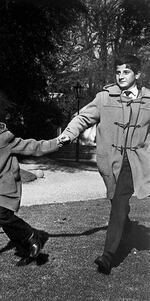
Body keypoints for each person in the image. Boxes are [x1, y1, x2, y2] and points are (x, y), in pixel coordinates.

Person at [59, 54, 150, 275]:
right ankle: (126, 227)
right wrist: (69, 133)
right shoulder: (104, 98)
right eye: (118, 72)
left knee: (118, 203)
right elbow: (82, 118)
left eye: (126, 72)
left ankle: (107, 256)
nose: (121, 76)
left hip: (138, 162)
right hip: (111, 162)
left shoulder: (149, 100)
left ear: (137, 74)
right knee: (116, 201)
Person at [0, 103, 63, 265]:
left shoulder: (3, 138)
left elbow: (33, 147)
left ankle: (32, 236)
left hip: (6, 183)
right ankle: (27, 250)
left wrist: (58, 142)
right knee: (4, 219)